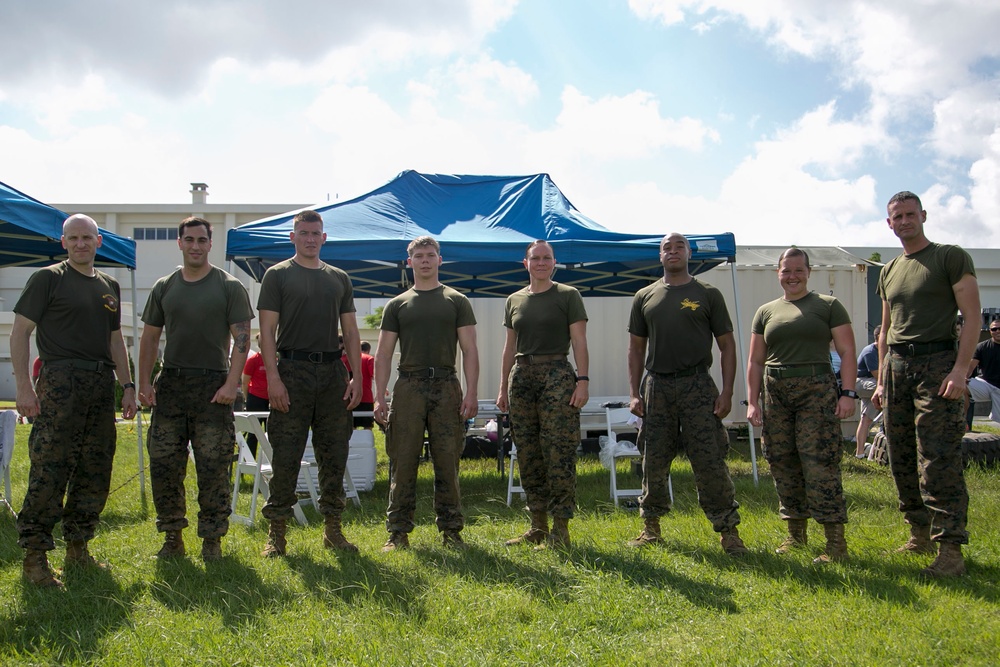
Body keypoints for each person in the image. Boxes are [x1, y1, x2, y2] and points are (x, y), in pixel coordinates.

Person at [10, 214, 137, 587]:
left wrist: (127, 385)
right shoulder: (48, 278)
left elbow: (115, 341)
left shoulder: (109, 285)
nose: (81, 244)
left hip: (100, 385)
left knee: (95, 468)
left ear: (99, 242)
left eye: (87, 238)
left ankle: (79, 546)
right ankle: (35, 557)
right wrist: (23, 387)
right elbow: (20, 333)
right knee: (50, 468)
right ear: (63, 242)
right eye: (73, 238)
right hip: (60, 381)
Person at [873, 191, 981, 577]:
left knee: (938, 457)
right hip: (897, 367)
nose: (904, 221)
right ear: (889, 223)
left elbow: (972, 317)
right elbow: (885, 328)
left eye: (909, 214)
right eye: (896, 216)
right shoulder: (889, 270)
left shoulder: (949, 256)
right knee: (899, 454)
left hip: (937, 364)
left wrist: (960, 370)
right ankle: (918, 532)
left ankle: (950, 549)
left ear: (923, 215)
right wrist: (883, 377)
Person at [138, 217, 253, 561]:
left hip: (212, 385)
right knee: (164, 464)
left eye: (202, 240)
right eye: (189, 239)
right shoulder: (165, 286)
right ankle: (172, 536)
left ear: (209, 244)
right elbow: (149, 338)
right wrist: (143, 381)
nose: (195, 246)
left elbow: (242, 340)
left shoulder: (229, 286)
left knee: (214, 465)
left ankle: (212, 539)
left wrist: (232, 383)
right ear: (180, 243)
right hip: (171, 384)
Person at [626, 233, 748, 556]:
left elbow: (727, 346)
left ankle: (729, 531)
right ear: (660, 256)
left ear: (690, 253)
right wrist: (634, 392)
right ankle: (650, 527)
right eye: (667, 247)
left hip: (698, 385)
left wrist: (727, 391)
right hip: (657, 387)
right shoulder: (644, 296)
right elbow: (636, 350)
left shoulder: (708, 294)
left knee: (709, 460)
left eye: (679, 246)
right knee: (653, 459)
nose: (673, 251)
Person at [256, 210, 363, 557]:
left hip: (332, 374)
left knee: (334, 454)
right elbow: (267, 333)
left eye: (315, 233)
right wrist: (273, 378)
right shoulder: (277, 275)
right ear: (293, 237)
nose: (310, 238)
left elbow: (349, 331)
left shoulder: (339, 278)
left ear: (324, 238)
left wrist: (356, 377)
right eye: (303, 232)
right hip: (291, 372)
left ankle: (333, 529)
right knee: (286, 455)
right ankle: (277, 534)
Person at [746, 247, 857, 564]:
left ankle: (835, 544)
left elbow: (848, 352)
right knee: (782, 460)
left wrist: (848, 393)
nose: (792, 276)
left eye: (798, 270)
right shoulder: (766, 311)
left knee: (819, 461)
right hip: (776, 393)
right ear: (777, 273)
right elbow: (755, 361)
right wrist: (753, 402)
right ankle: (796, 535)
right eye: (786, 270)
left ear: (809, 272)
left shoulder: (827, 306)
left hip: (816, 391)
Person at [374, 236, 479, 551]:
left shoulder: (456, 300)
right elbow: (382, 353)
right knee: (402, 460)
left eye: (430, 255)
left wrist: (471, 392)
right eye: (418, 256)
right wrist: (379, 395)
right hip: (408, 387)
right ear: (410, 262)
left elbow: (470, 350)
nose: (424, 260)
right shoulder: (398, 304)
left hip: (447, 386)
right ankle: (398, 533)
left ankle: (451, 531)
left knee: (447, 461)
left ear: (440, 260)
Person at [496, 240, 589, 548]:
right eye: (535, 258)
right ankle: (537, 525)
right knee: (528, 452)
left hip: (557, 375)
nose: (540, 262)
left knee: (559, 452)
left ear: (554, 262)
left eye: (546, 257)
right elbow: (509, 347)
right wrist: (502, 388)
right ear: (526, 263)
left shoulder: (568, 295)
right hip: (521, 376)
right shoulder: (514, 300)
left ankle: (560, 529)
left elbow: (579, 342)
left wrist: (583, 381)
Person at [241, 334, 271, 455]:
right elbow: (245, 382)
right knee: (253, 433)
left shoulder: (274, 359)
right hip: (256, 398)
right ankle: (250, 459)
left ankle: (270, 459)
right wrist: (247, 398)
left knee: (271, 431)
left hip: (270, 399)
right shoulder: (253, 360)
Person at [855, 325, 881, 457]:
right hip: (861, 383)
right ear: (878, 337)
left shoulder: (885, 350)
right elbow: (878, 376)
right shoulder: (870, 351)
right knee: (887, 389)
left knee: (866, 419)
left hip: (873, 386)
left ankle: (860, 453)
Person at [968, 317, 1000, 423]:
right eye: (994, 329)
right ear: (990, 331)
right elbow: (971, 366)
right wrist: (962, 377)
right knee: (961, 387)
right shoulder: (981, 347)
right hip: (985, 384)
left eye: (999, 328)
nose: (997, 331)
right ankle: (964, 422)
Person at [343, 341, 376, 429]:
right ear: (368, 350)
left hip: (350, 397)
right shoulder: (369, 358)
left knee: (352, 425)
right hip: (365, 397)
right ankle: (366, 442)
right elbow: (374, 375)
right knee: (367, 426)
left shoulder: (347, 358)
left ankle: (353, 442)